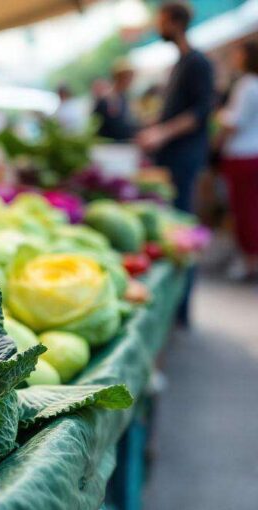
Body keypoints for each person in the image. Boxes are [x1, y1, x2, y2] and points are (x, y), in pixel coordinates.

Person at [136, 1, 214, 324]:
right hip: (173, 157)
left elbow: (200, 114)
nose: (158, 27)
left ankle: (181, 311)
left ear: (174, 22)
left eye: (161, 21)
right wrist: (154, 127)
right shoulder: (182, 62)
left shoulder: (197, 62)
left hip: (184, 159)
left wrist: (162, 133)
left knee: (181, 232)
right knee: (172, 228)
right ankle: (176, 310)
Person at [216, 41, 258, 280]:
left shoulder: (247, 85)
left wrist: (220, 115)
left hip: (242, 155)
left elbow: (235, 122)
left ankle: (249, 260)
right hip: (252, 154)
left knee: (245, 211)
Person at [94, 60, 138, 142]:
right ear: (120, 78)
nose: (131, 82)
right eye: (129, 78)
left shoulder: (123, 97)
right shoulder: (106, 99)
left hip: (123, 143)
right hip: (111, 146)